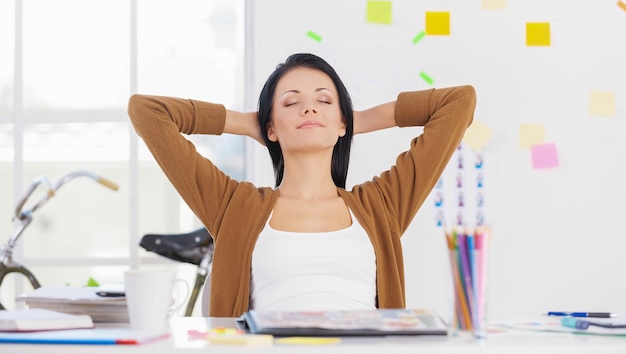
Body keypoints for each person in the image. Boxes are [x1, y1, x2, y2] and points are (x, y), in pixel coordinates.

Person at [128, 53, 476, 317]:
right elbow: (148, 111)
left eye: (324, 101)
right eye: (291, 103)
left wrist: (360, 120)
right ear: (271, 128)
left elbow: (458, 102)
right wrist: (246, 123)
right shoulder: (235, 206)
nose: (309, 108)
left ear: (342, 122)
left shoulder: (382, 206)